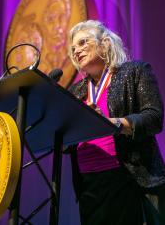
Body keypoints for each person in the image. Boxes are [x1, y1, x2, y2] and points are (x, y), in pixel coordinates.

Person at [67, 20, 165, 225]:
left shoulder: (135, 71)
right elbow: (67, 142)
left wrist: (112, 123)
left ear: (105, 44)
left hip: (129, 179)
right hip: (89, 188)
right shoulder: (74, 92)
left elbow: (154, 118)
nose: (76, 51)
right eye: (73, 48)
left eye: (83, 42)